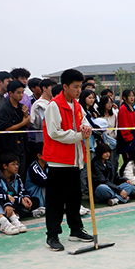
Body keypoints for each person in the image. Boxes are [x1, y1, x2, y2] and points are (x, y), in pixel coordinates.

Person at [42, 69, 94, 251]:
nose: (79, 90)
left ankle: (76, 229)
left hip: (75, 159)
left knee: (74, 197)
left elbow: (84, 122)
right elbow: (54, 132)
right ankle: (53, 235)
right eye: (76, 87)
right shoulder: (54, 106)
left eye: (80, 87)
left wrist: (86, 129)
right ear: (65, 87)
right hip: (58, 161)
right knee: (55, 200)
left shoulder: (77, 106)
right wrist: (79, 135)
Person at [0, 81, 31, 176]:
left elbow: (28, 126)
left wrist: (26, 115)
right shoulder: (5, 109)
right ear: (10, 93)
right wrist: (23, 122)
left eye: (22, 92)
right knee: (10, 175)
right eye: (18, 92)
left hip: (22, 146)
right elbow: (6, 129)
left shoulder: (21, 107)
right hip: (9, 147)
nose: (21, 95)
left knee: (21, 174)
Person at [0, 153, 40, 223]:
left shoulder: (16, 176)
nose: (16, 167)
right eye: (13, 164)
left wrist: (25, 197)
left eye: (17, 164)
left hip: (16, 200)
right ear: (5, 166)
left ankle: (22, 213)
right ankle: (29, 213)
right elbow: (3, 194)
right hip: (5, 201)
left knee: (35, 200)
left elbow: (22, 190)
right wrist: (20, 200)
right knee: (15, 207)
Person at [30, 79, 57, 144]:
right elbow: (43, 122)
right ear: (44, 88)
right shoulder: (39, 104)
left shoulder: (52, 102)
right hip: (42, 138)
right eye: (51, 87)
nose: (53, 90)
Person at [117, 89, 135, 162]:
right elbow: (123, 125)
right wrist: (129, 139)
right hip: (127, 141)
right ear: (124, 97)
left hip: (134, 137)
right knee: (128, 163)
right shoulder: (123, 109)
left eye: (133, 96)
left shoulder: (132, 109)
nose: (132, 98)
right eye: (130, 96)